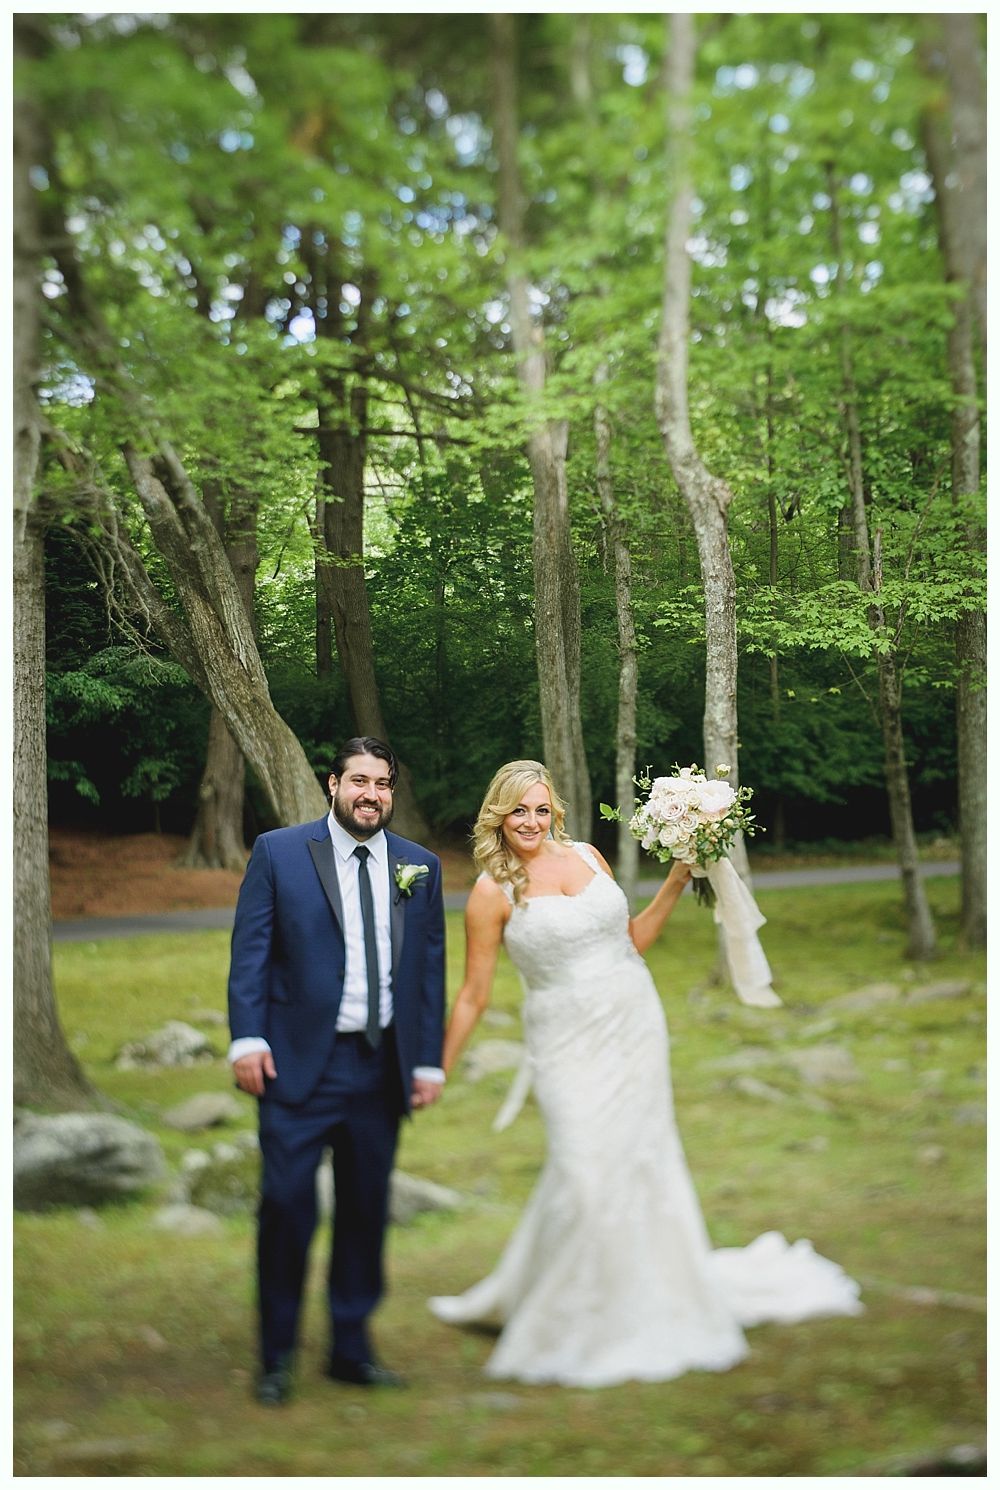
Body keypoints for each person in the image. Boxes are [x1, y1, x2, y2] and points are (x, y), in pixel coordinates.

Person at [428, 760, 862, 1388]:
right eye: (518, 810)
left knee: (638, 1161)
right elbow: (473, 994)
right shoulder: (491, 894)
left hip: (632, 1023)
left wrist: (677, 880)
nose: (531, 822)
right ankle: (566, 1305)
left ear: (555, 813)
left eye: (542, 810)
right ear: (498, 815)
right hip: (564, 1040)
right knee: (581, 1171)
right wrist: (438, 1068)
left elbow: (627, 942)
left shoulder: (589, 857)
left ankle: (636, 1298)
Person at [228, 737, 446, 1405]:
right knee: (286, 1206)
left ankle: (350, 1349)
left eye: (382, 783)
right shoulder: (280, 853)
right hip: (297, 1065)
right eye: (359, 781)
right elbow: (251, 953)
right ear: (333, 784)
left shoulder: (419, 867)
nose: (370, 794)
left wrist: (427, 1059)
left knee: (365, 1211)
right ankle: (276, 1356)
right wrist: (247, 1039)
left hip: (380, 1068)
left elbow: (428, 970)